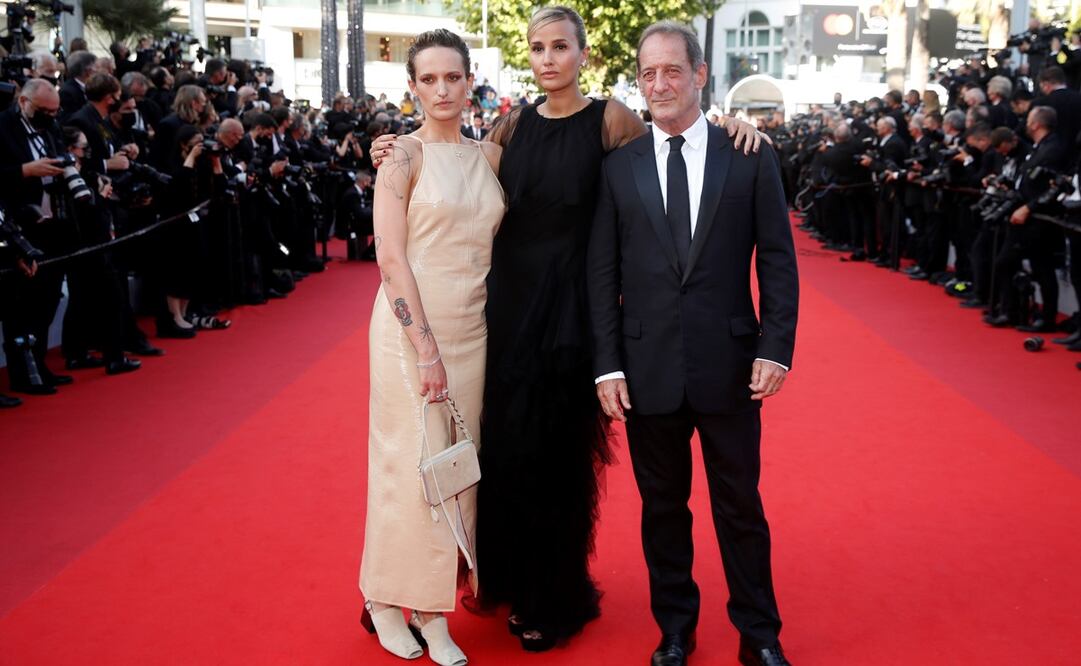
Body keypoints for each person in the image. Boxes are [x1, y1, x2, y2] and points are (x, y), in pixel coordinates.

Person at [369, 5, 763, 653]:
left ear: (583, 54)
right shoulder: (511, 124)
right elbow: (458, 167)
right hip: (505, 313)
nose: (547, 58)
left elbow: (674, 151)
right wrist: (396, 144)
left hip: (575, 317)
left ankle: (554, 595)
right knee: (505, 458)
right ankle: (504, 581)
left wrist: (730, 126)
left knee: (558, 462)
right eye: (536, 48)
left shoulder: (611, 118)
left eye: (559, 46)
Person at [587, 21, 798, 666]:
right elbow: (603, 272)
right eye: (648, 73)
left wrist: (775, 346)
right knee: (663, 510)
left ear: (700, 75)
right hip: (647, 368)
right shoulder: (618, 168)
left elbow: (778, 262)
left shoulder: (749, 155)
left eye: (672, 71)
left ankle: (760, 636)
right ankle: (676, 628)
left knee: (741, 508)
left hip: (731, 365)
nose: (659, 84)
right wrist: (607, 366)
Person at [358, 28, 505, 666]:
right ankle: (404, 606)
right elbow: (390, 256)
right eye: (429, 80)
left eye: (453, 77)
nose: (442, 90)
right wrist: (425, 349)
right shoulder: (400, 159)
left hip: (475, 332)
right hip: (411, 335)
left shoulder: (488, 156)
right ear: (412, 87)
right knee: (411, 467)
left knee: (456, 471)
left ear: (469, 81)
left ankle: (416, 598)